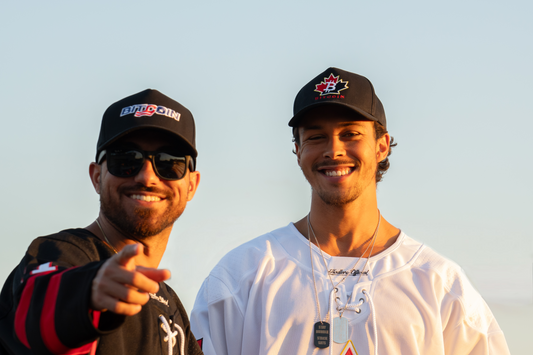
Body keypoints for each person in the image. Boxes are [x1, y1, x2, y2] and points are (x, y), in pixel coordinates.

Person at [189, 68, 510, 355]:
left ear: (382, 144)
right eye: (316, 137)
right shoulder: (242, 275)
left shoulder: (438, 283)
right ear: (297, 150)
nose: (334, 150)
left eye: (350, 134)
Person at [0, 89, 203, 355]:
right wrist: (87, 295)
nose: (147, 177)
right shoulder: (62, 254)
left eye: (169, 163)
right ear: (97, 177)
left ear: (191, 185)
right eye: (126, 160)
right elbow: (35, 312)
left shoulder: (171, 306)